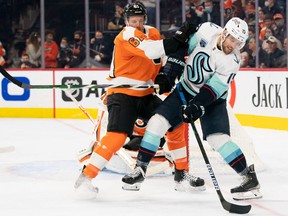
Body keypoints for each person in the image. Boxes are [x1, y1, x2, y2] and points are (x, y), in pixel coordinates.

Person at [122, 17, 262, 201]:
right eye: (232, 40)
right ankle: (140, 169)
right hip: (185, 89)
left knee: (217, 139)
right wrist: (169, 74)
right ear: (225, 33)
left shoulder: (232, 61)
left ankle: (249, 178)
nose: (233, 45)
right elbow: (183, 48)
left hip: (212, 100)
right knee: (157, 122)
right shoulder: (206, 30)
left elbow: (213, 89)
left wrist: (196, 106)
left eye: (238, 43)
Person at [74, 1, 203, 197]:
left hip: (145, 94)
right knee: (118, 136)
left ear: (145, 19)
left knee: (176, 124)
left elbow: (160, 58)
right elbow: (153, 50)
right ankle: (86, 178)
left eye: (140, 20)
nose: (137, 23)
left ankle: (181, 174)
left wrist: (162, 76)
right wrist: (179, 37)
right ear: (126, 21)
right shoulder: (126, 34)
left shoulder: (151, 33)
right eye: (133, 20)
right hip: (122, 93)